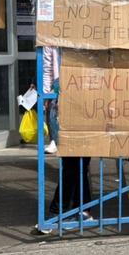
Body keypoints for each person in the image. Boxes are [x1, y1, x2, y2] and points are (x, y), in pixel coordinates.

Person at [33, 46, 92, 235]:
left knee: (79, 161)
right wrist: (47, 94)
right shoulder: (53, 42)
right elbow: (47, 68)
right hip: (63, 103)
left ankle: (71, 209)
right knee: (73, 161)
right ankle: (69, 210)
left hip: (86, 102)